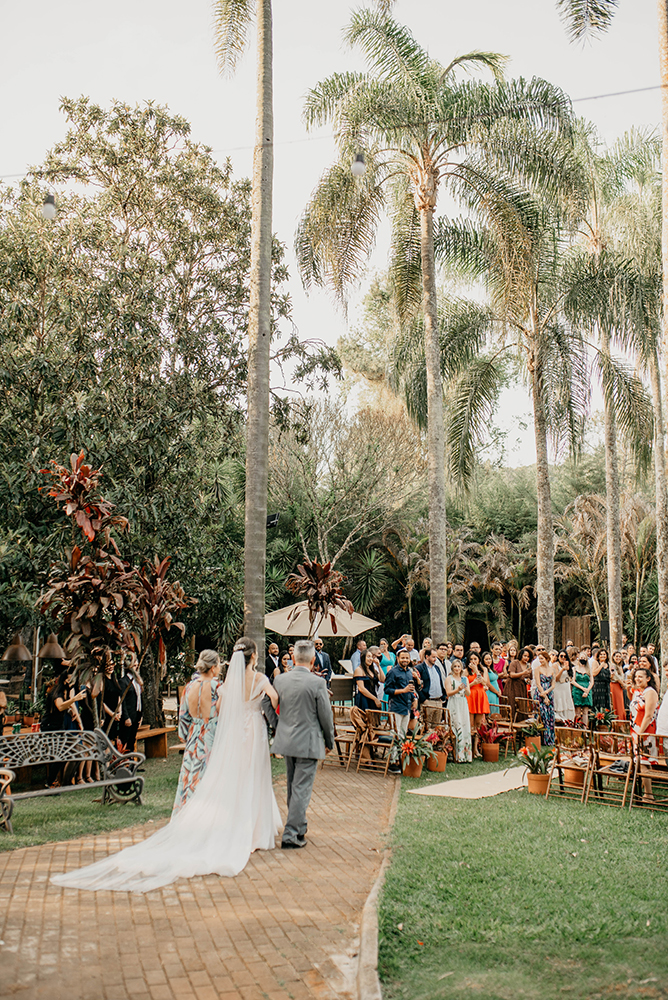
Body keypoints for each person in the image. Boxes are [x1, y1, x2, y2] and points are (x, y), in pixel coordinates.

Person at [50, 637, 282, 891]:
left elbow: (198, 715)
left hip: (200, 739)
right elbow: (271, 699)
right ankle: (247, 829)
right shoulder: (243, 682)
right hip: (239, 735)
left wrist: (191, 734)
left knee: (207, 783)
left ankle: (192, 822)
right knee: (250, 777)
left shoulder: (208, 685)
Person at [270, 639, 335, 849]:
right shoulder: (318, 683)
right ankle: (291, 834)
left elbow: (265, 701)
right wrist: (329, 740)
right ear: (314, 659)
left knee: (293, 787)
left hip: (287, 739)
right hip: (308, 741)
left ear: (295, 658)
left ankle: (300, 826)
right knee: (301, 789)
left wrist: (277, 725)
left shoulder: (280, 680)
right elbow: (326, 716)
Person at [172, 650, 223, 814]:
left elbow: (183, 717)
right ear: (214, 668)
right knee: (209, 777)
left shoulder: (189, 687)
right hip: (211, 736)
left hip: (194, 737)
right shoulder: (218, 688)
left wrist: (186, 737)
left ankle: (187, 814)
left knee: (190, 778)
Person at [628, 666, 660, 799]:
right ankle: (645, 790)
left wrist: (640, 734)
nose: (637, 678)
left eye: (640, 676)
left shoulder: (650, 692)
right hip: (635, 730)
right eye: (636, 676)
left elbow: (648, 715)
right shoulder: (638, 691)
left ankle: (649, 794)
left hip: (645, 731)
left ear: (648, 678)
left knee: (645, 761)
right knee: (640, 761)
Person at [383, 650, 417, 737]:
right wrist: (403, 690)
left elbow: (410, 689)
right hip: (396, 707)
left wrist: (414, 698)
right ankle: (394, 751)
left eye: (407, 658)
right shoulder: (393, 672)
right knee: (395, 733)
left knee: (403, 733)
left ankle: (402, 750)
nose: (405, 660)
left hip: (407, 707)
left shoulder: (409, 672)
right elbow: (387, 689)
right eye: (402, 658)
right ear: (398, 659)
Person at [445, 660, 472, 763]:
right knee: (456, 725)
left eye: (459, 666)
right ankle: (455, 754)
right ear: (452, 668)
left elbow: (468, 693)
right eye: (455, 666)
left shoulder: (464, 679)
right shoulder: (449, 678)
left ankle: (465, 754)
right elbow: (448, 693)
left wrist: (464, 688)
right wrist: (457, 689)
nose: (457, 668)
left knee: (464, 725)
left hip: (462, 702)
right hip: (454, 702)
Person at [465, 652, 489, 757]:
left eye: (475, 659)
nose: (473, 661)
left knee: (478, 725)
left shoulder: (483, 670)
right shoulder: (465, 671)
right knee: (470, 725)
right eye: (471, 659)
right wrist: (472, 683)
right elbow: (464, 686)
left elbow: (485, 683)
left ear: (479, 660)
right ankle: (469, 749)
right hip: (470, 696)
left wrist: (476, 672)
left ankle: (476, 749)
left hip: (480, 696)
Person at [533, 649, 556, 745]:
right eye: (539, 659)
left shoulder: (552, 670)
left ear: (547, 659)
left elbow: (553, 684)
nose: (540, 661)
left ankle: (550, 738)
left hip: (549, 692)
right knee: (542, 715)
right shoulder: (537, 669)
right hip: (540, 693)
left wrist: (547, 693)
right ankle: (541, 738)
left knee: (550, 715)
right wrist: (544, 696)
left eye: (542, 659)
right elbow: (538, 684)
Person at [120, 660, 143, 753]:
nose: (136, 668)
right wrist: (126, 717)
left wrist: (141, 715)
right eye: (134, 666)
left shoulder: (137, 680)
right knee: (126, 740)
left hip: (136, 714)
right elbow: (122, 701)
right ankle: (125, 763)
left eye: (136, 666)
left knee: (132, 740)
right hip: (129, 715)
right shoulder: (123, 681)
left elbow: (140, 698)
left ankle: (132, 765)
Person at [506, 647, 531, 722]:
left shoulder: (528, 665)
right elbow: (512, 675)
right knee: (513, 704)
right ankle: (512, 722)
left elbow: (530, 676)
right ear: (521, 655)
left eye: (528, 656)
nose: (526, 658)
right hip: (512, 686)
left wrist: (528, 679)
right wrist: (523, 673)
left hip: (522, 687)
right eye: (525, 656)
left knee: (521, 705)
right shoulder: (515, 663)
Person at [571, 651, 593, 726]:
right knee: (577, 711)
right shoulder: (574, 668)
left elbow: (592, 682)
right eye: (581, 658)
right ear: (578, 659)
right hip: (577, 690)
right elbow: (573, 681)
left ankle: (585, 728)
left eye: (584, 658)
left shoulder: (589, 669)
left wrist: (587, 690)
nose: (582, 659)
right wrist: (582, 688)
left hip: (587, 691)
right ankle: (578, 727)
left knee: (585, 711)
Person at [553, 650, 575, 723]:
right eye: (561, 656)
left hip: (566, 687)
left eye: (565, 656)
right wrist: (562, 669)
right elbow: (556, 678)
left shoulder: (568, 665)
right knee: (560, 704)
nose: (563, 658)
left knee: (567, 703)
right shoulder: (555, 665)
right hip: (559, 687)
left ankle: (569, 721)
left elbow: (571, 677)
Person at [591, 648, 611, 714]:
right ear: (598, 656)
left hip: (606, 686)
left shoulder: (608, 664)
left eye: (604, 654)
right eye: (601, 654)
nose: (602, 656)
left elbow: (610, 676)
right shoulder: (596, 662)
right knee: (597, 704)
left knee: (605, 704)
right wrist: (601, 666)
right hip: (598, 686)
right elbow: (593, 673)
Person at [610, 651, 627, 721]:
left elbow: (622, 677)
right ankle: (617, 720)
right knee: (616, 703)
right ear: (613, 657)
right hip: (614, 685)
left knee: (621, 704)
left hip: (620, 686)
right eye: (616, 656)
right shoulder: (612, 666)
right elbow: (615, 677)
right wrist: (623, 684)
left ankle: (621, 719)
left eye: (619, 656)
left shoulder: (620, 666)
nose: (618, 658)